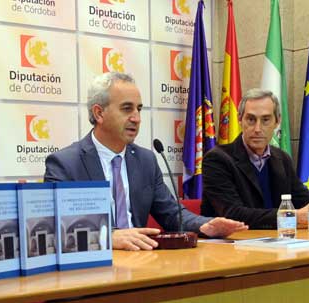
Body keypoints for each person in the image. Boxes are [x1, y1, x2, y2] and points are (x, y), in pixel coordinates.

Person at [44, 72, 247, 251]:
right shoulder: (66, 164)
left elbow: (171, 213)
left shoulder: (145, 160)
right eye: (126, 109)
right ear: (99, 113)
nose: (136, 118)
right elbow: (56, 228)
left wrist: (204, 225)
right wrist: (108, 237)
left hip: (141, 263)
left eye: (139, 109)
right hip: (94, 270)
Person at [202, 88, 309, 229]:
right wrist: (292, 217)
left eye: (265, 120)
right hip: (233, 245)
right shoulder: (217, 159)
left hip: (278, 243)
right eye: (251, 119)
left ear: (277, 122)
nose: (257, 128)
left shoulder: (282, 159)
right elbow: (233, 214)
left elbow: (304, 204)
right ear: (240, 120)